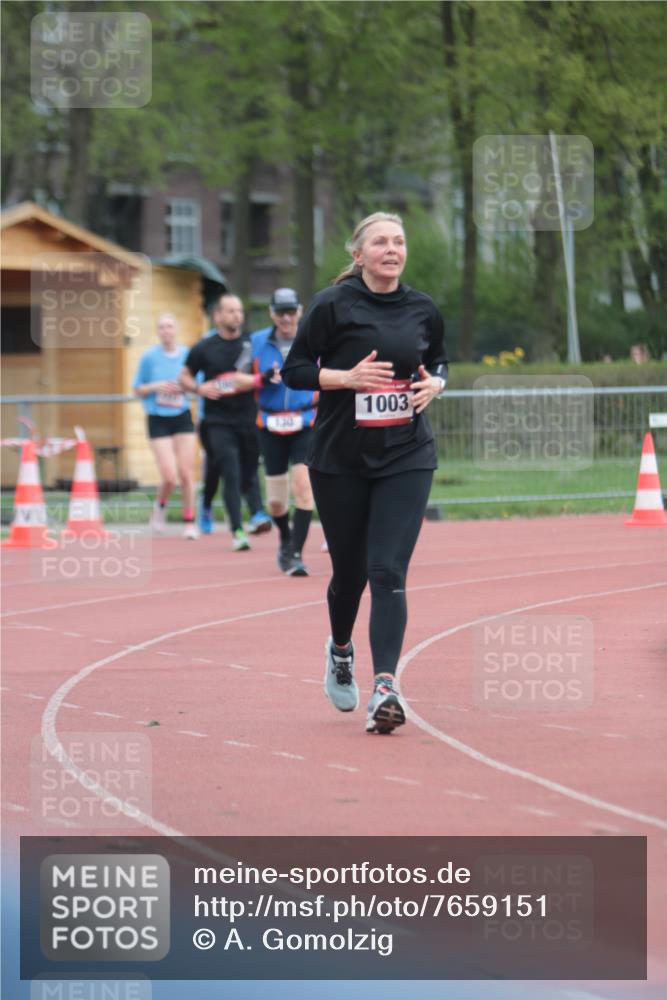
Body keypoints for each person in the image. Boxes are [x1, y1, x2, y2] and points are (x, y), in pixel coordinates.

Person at [281, 212, 448, 734]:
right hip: (340, 459)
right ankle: (340, 650)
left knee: (387, 572)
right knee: (350, 575)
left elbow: (440, 361)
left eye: (399, 241)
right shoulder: (333, 305)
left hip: (406, 454)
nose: (392, 249)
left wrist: (435, 385)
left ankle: (385, 686)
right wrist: (345, 377)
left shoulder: (423, 309)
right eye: (380, 241)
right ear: (359, 254)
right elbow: (295, 370)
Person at [179, 294, 268, 551]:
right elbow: (184, 376)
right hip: (218, 421)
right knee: (231, 470)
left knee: (249, 471)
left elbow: (268, 369)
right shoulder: (205, 347)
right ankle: (238, 530)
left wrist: (255, 380)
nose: (236, 315)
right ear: (217, 316)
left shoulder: (252, 343)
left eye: (239, 311)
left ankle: (257, 513)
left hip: (249, 417)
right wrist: (199, 388)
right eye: (230, 311)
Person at [251, 288, 318, 576]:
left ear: (300, 312)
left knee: (303, 488)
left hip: (305, 422)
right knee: (276, 500)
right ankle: (285, 539)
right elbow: (235, 379)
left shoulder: (315, 340)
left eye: (291, 312)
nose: (286, 318)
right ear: (272, 313)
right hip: (270, 423)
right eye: (281, 312)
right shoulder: (255, 343)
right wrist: (261, 378)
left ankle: (296, 555)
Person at [133, 312, 198, 539]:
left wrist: (183, 387)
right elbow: (137, 389)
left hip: (181, 415)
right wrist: (157, 386)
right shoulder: (149, 357)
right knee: (169, 475)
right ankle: (160, 507)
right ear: (157, 331)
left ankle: (189, 521)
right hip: (158, 417)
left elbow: (196, 385)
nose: (166, 331)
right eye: (161, 327)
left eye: (170, 326)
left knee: (185, 473)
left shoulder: (188, 355)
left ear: (176, 329)